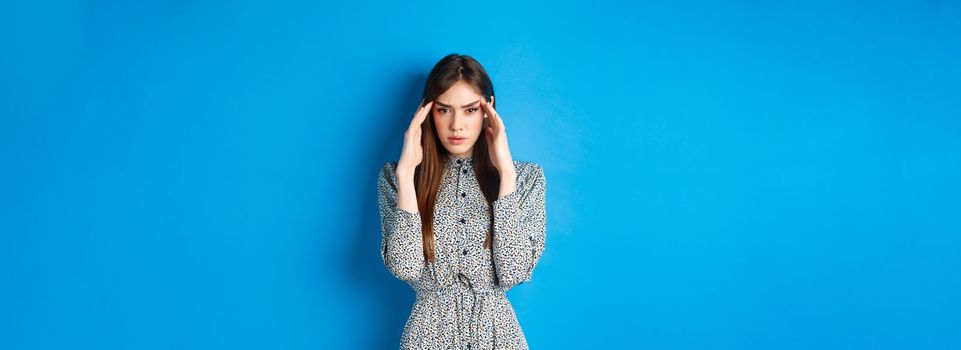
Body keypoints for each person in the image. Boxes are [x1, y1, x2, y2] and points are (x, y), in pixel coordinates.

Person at [377, 53, 547, 349]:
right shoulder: (396, 176)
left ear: (488, 110)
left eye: (469, 110)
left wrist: (506, 175)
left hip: (498, 337)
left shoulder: (526, 177)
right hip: (426, 337)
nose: (456, 125)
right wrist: (407, 174)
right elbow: (405, 267)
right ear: (428, 112)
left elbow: (514, 271)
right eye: (444, 110)